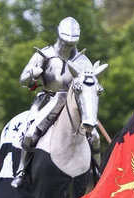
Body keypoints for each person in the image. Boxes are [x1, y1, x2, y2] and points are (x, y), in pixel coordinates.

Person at [11, 17, 92, 188]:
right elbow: (23, 80)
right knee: (29, 133)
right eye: (66, 42)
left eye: (72, 43)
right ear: (59, 37)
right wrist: (32, 72)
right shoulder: (44, 55)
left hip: (73, 104)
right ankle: (21, 171)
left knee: (95, 136)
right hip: (47, 99)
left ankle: (96, 172)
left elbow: (90, 85)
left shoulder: (83, 61)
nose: (68, 47)